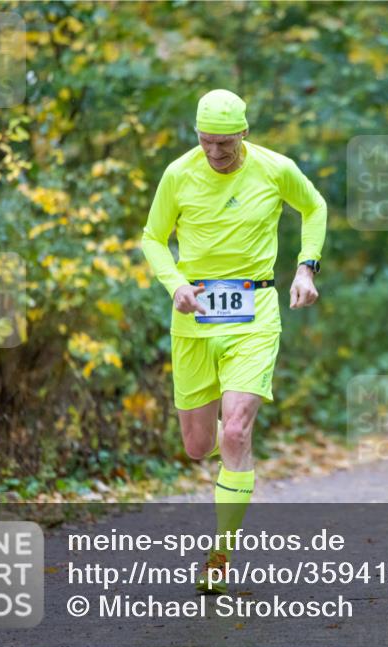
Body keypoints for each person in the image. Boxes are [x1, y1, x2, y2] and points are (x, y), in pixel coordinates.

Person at [141, 89, 326, 593]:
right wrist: (175, 284)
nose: (216, 154)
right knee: (199, 447)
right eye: (206, 143)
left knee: (237, 433)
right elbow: (152, 238)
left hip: (256, 313)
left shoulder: (274, 167)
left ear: (244, 134)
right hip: (195, 318)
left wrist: (306, 267)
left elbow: (314, 207)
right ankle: (230, 462)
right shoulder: (179, 174)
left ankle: (219, 557)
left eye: (224, 144)